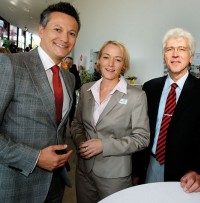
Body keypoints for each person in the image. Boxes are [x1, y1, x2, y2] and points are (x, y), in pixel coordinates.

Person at [0, 2, 80, 203]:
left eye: (72, 33)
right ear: (42, 30)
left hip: (55, 184)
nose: (64, 38)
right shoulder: (11, 65)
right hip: (17, 184)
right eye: (57, 29)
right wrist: (34, 158)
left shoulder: (68, 78)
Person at [132, 28, 200, 193]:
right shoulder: (150, 88)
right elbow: (140, 130)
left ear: (191, 57)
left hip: (185, 175)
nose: (175, 54)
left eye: (182, 49)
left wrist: (198, 171)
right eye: (169, 49)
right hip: (150, 166)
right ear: (164, 56)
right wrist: (136, 171)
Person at [71, 40, 150, 202]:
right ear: (99, 60)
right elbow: (77, 124)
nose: (111, 64)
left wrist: (103, 145)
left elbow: (142, 138)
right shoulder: (86, 90)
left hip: (115, 176)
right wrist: (81, 142)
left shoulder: (136, 96)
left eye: (118, 59)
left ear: (124, 65)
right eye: (106, 57)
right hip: (84, 170)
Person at [63, 56, 81, 127]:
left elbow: (78, 85)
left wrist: (74, 72)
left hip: (71, 98)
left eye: (69, 63)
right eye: (66, 62)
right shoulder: (58, 71)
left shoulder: (73, 73)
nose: (67, 64)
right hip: (61, 98)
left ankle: (71, 129)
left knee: (71, 114)